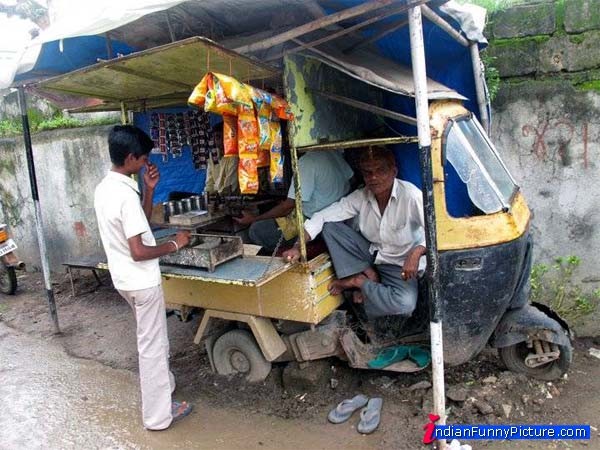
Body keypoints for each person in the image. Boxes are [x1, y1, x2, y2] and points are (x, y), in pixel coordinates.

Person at [94, 125, 193, 430]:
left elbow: (141, 223)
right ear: (130, 158)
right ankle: (159, 416)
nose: (147, 162)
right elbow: (138, 249)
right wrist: (175, 244)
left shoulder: (107, 188)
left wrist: (150, 189)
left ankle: (165, 389)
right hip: (141, 281)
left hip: (124, 280)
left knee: (154, 340)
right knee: (151, 347)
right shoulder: (123, 194)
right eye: (143, 158)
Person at [282, 146, 426, 319]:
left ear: (393, 171)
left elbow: (436, 231)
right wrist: (298, 247)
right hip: (372, 255)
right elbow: (321, 217)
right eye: (368, 172)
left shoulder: (411, 196)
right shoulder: (361, 196)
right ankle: (368, 275)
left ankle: (358, 282)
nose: (373, 177)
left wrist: (417, 252)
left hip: (399, 263)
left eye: (380, 171)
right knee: (330, 226)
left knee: (405, 304)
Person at [234, 150, 354, 252]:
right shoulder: (331, 152)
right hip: (338, 216)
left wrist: (254, 219)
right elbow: (351, 179)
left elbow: (288, 206)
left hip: (315, 221)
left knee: (257, 230)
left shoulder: (306, 162)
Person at [204, 121, 239, 195]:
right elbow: (209, 183)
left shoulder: (234, 156)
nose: (216, 141)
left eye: (219, 137)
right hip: (217, 196)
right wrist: (206, 197)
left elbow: (230, 186)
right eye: (215, 137)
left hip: (229, 197)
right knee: (175, 195)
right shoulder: (212, 155)